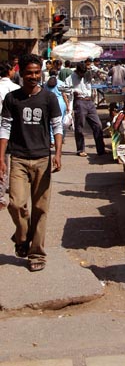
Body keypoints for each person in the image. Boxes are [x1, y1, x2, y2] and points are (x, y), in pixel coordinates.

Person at [0, 53, 63, 271]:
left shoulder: (49, 98)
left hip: (42, 159)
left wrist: (58, 153)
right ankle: (22, 234)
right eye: (29, 73)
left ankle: (36, 254)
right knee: (16, 204)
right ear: (21, 73)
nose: (34, 76)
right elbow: (5, 128)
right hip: (18, 158)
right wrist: (1, 157)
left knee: (40, 208)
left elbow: (57, 126)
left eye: (37, 72)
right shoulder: (12, 99)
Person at [64, 61, 106, 157]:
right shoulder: (70, 78)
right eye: (81, 73)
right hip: (79, 102)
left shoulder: (88, 75)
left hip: (90, 102)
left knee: (98, 125)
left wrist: (92, 67)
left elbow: (99, 73)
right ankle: (80, 149)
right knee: (79, 127)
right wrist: (73, 91)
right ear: (77, 71)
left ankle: (101, 149)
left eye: (84, 72)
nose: (82, 74)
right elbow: (65, 90)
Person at [0, 62, 20, 209]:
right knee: (6, 162)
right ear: (9, 71)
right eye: (13, 69)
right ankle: (2, 195)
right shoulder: (15, 89)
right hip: (9, 129)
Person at [45, 68, 70, 144]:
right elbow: (64, 95)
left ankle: (52, 140)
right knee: (61, 121)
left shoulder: (45, 84)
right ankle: (61, 138)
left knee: (50, 122)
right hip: (60, 103)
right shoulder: (61, 83)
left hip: (49, 103)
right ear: (57, 74)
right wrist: (67, 105)